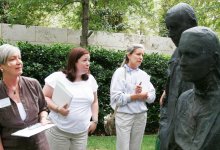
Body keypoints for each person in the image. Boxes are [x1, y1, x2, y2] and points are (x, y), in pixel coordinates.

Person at [171, 26, 220, 149]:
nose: (182, 62)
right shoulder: (183, 100)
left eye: (191, 55)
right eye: (181, 54)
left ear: (214, 59)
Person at [158, 3, 198, 150]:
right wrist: (166, 92)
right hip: (170, 125)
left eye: (174, 27)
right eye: (168, 28)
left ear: (192, 24)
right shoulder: (176, 52)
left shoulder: (206, 52)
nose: (170, 34)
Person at [43, 47, 99, 150]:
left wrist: (95, 120)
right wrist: (58, 109)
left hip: (81, 134)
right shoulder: (57, 77)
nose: (88, 63)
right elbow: (44, 97)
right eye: (84, 60)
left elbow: (94, 102)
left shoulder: (90, 80)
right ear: (74, 61)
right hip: (57, 131)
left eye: (89, 60)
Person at [0, 44, 49, 150]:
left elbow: (43, 108)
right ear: (1, 66)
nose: (19, 62)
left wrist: (43, 118)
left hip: (39, 145)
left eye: (19, 58)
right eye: (12, 59)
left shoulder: (33, 84)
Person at [110, 44, 156, 150]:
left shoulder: (144, 75)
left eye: (142, 55)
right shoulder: (120, 73)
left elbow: (152, 97)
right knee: (123, 147)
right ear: (129, 55)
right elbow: (116, 98)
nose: (141, 57)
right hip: (124, 116)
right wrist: (135, 96)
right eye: (138, 54)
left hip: (141, 116)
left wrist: (145, 95)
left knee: (136, 147)